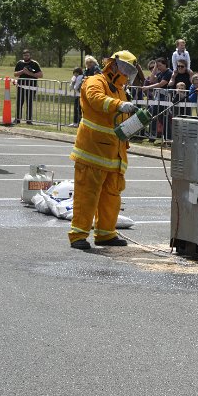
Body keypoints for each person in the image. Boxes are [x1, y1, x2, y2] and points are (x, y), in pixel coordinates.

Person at [68, 51, 139, 250]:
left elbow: (119, 121)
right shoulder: (95, 81)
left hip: (114, 155)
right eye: (125, 68)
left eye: (130, 71)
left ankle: (106, 233)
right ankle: (78, 235)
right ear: (113, 65)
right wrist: (120, 105)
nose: (126, 73)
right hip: (92, 151)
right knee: (87, 195)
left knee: (111, 196)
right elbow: (96, 99)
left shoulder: (120, 89)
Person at [13, 49, 43, 124]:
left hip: (31, 86)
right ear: (23, 56)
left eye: (27, 55)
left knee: (29, 103)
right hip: (21, 86)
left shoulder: (34, 63)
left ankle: (29, 120)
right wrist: (22, 71)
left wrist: (29, 73)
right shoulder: (19, 63)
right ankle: (17, 119)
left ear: (30, 56)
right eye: (24, 55)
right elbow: (15, 74)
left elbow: (40, 75)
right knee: (19, 102)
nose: (26, 57)